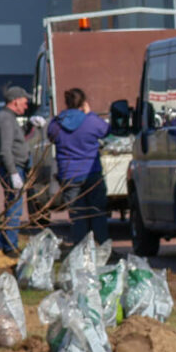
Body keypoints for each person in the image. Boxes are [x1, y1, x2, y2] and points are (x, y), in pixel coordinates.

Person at [46, 87, 112, 246]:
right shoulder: (90, 120)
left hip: (69, 174)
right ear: (83, 103)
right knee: (97, 212)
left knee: (77, 216)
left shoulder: (56, 123)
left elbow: (51, 136)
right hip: (91, 172)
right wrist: (89, 113)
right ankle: (103, 247)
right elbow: (106, 131)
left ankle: (81, 252)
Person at [0, 86, 32, 254]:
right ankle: (10, 247)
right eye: (24, 102)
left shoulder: (8, 118)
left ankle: (4, 243)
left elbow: (15, 138)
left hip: (13, 168)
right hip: (12, 168)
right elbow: (5, 150)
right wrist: (14, 173)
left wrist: (29, 125)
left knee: (11, 206)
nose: (26, 106)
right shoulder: (6, 119)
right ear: (15, 101)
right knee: (15, 209)